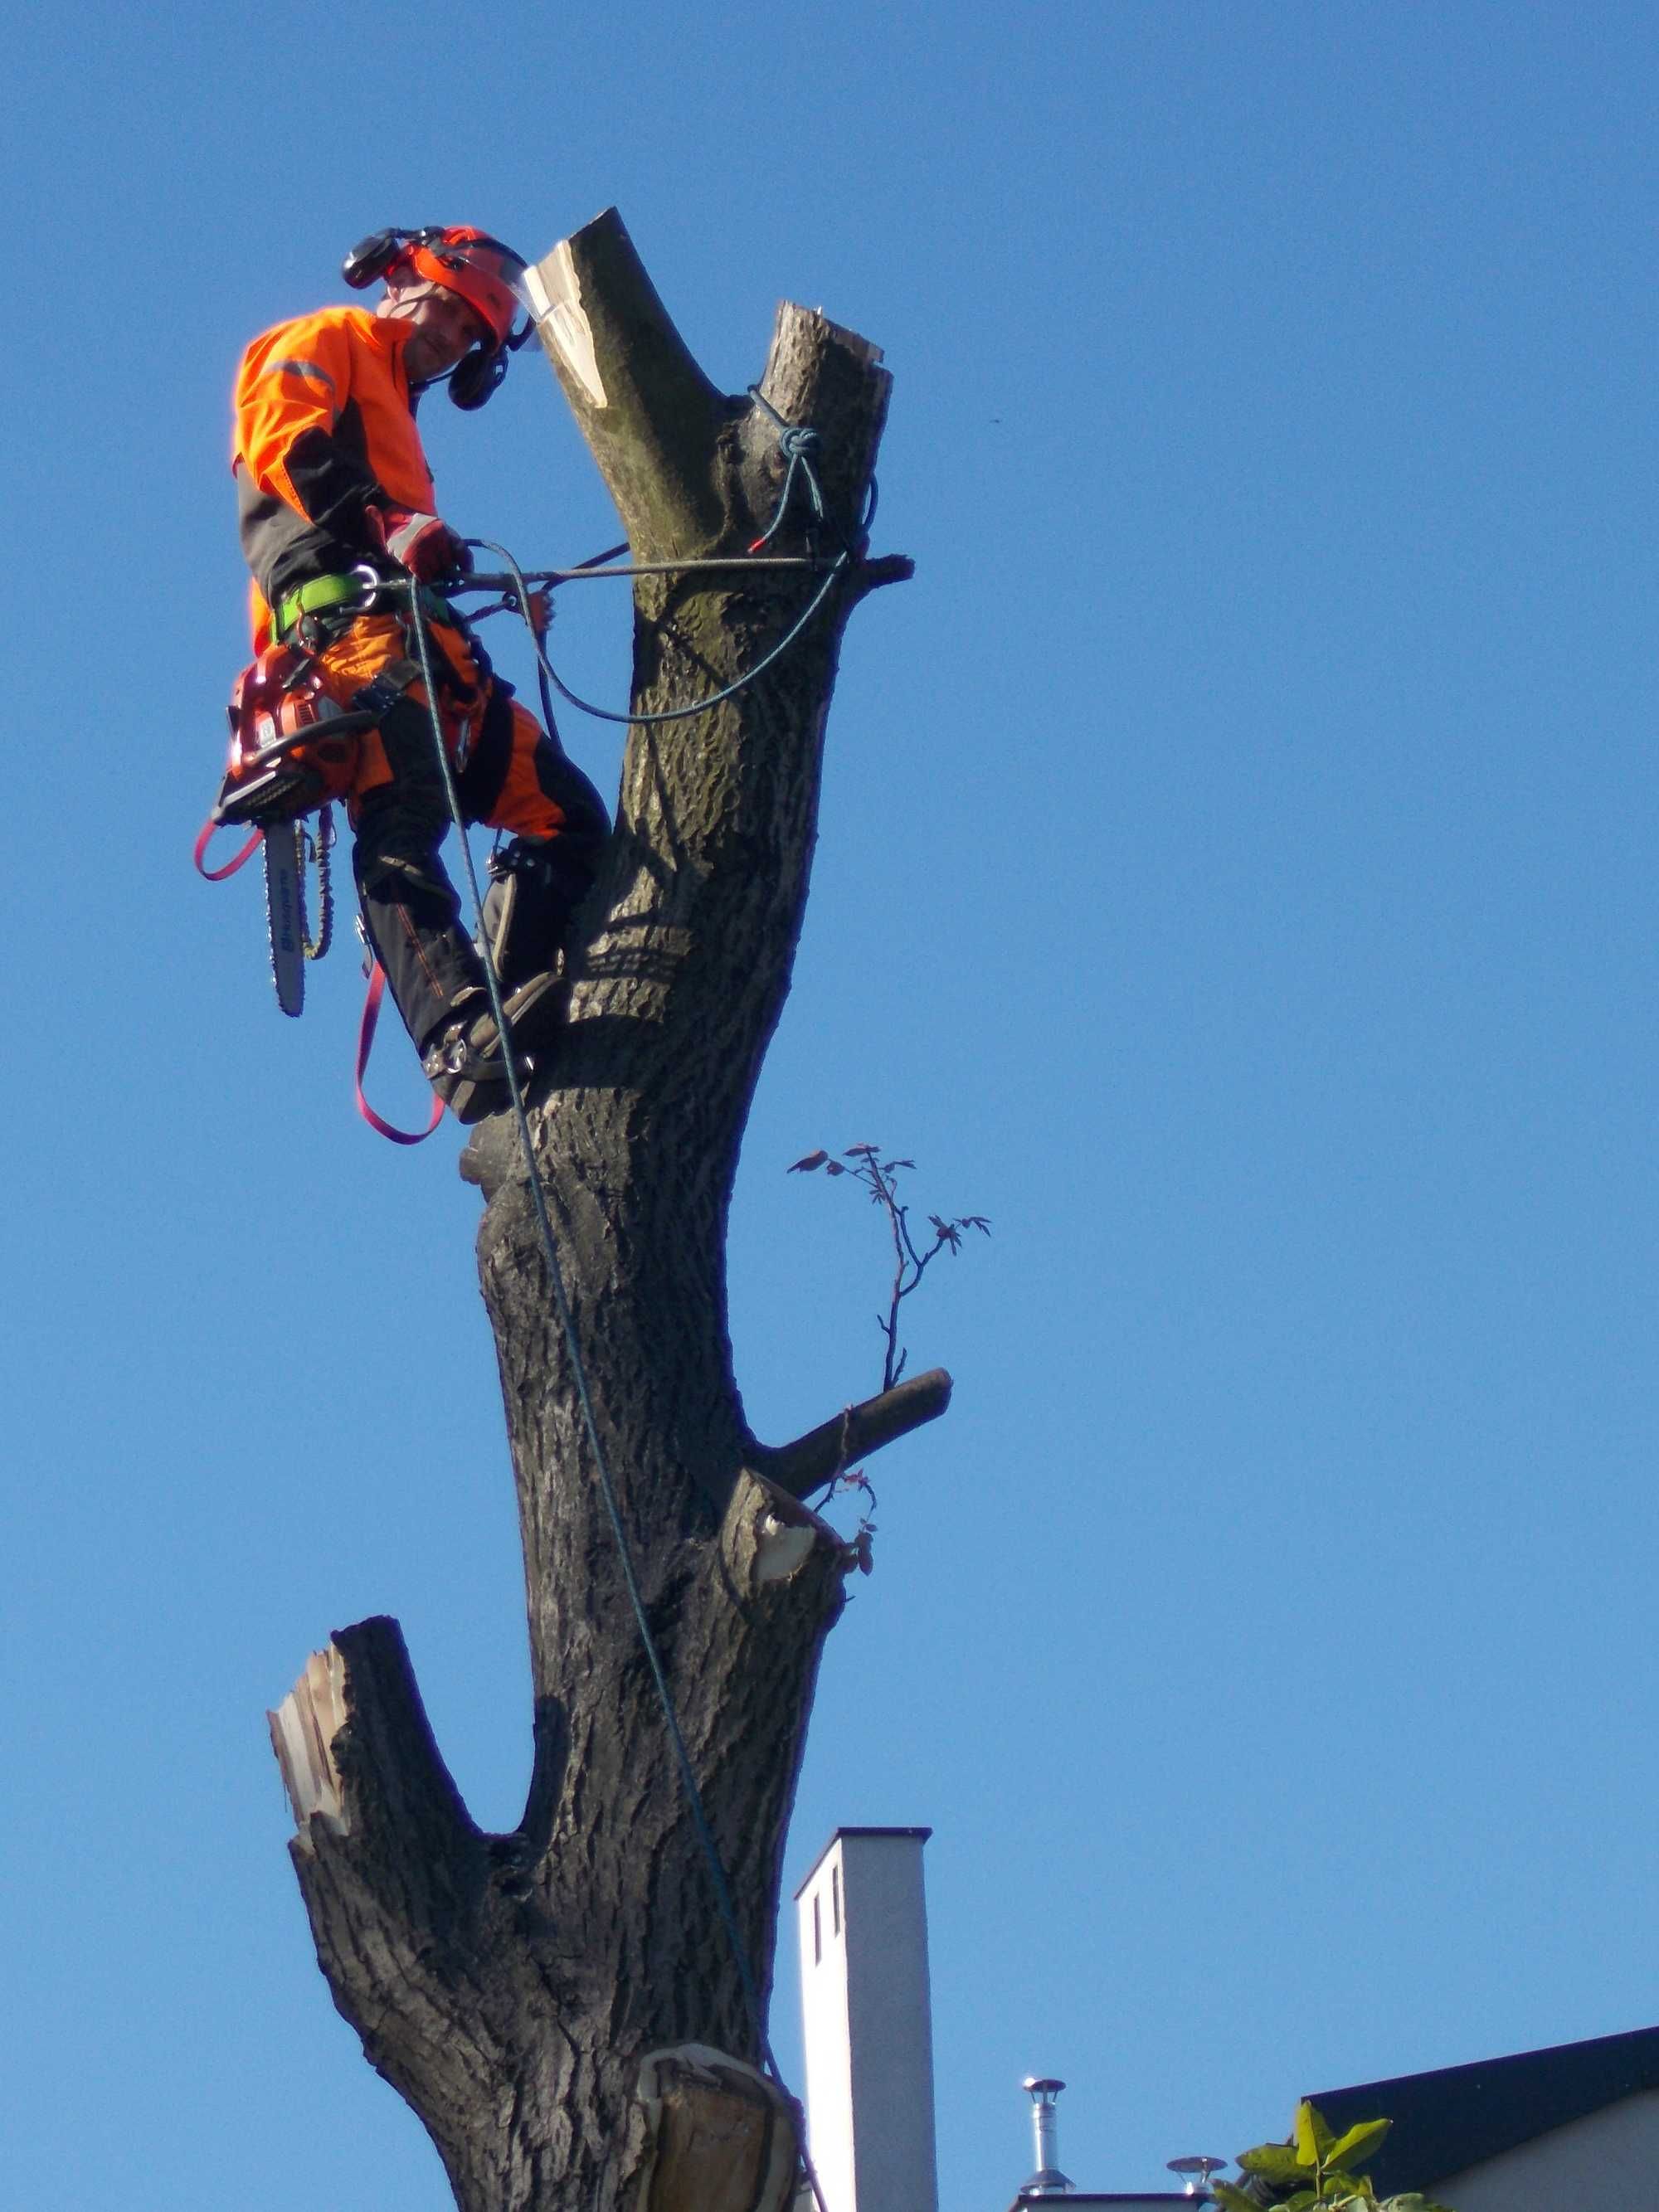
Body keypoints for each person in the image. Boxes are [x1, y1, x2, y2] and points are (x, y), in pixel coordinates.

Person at [231, 226, 610, 1121]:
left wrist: (469, 577)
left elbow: (405, 534)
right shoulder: (326, 339)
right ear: (398, 278)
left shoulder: (400, 418)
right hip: (352, 638)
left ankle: (511, 991)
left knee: (573, 823)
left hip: (435, 655)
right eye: (443, 306)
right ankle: (454, 1035)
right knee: (401, 817)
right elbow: (288, 443)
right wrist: (389, 524)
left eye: (469, 332)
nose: (448, 335)